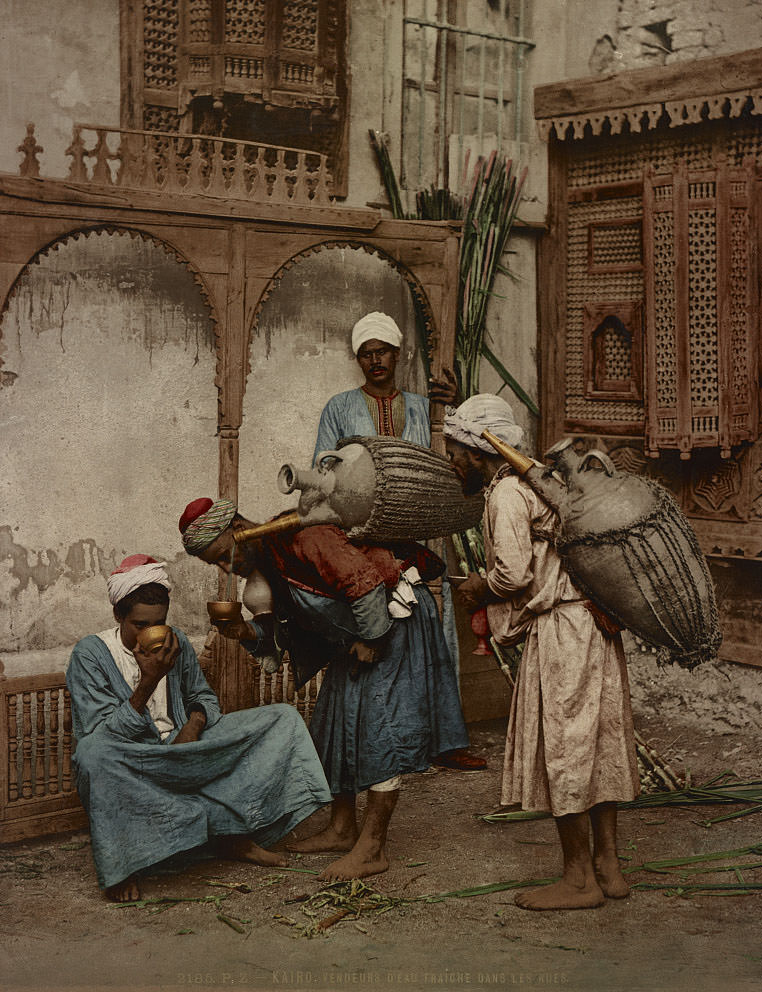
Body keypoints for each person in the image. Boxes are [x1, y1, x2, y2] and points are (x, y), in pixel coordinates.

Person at [180, 498, 470, 881]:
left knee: (379, 730)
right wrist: (245, 632)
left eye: (222, 555)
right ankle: (342, 828)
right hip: (356, 638)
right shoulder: (268, 566)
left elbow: (365, 587)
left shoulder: (306, 536)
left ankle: (372, 848)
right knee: (335, 724)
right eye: (214, 564)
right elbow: (282, 634)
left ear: (238, 529)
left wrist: (373, 639)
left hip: (395, 623)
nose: (225, 567)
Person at [443, 394, 640, 911]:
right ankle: (609, 868)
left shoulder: (507, 493)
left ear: (475, 450)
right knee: (595, 744)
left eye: (453, 451)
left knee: (566, 749)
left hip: (562, 632)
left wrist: (478, 587)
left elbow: (513, 574)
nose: (451, 462)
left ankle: (578, 880)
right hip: (594, 625)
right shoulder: (543, 483)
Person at [65, 554, 332, 903]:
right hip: (137, 759)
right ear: (118, 615)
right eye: (140, 624)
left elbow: (202, 696)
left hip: (188, 749)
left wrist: (193, 725)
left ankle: (235, 834)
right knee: (91, 755)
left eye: (158, 622)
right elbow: (101, 735)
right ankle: (123, 863)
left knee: (282, 718)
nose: (151, 633)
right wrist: (147, 682)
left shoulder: (174, 640)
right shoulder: (91, 654)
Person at [312, 310, 486, 772]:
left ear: (397, 354)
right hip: (363, 538)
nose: (375, 361)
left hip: (418, 531)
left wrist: (452, 406)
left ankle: (447, 740)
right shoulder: (339, 407)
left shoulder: (426, 407)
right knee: (374, 632)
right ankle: (377, 743)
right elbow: (324, 468)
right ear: (359, 360)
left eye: (382, 352)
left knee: (435, 630)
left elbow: (462, 456)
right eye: (366, 355)